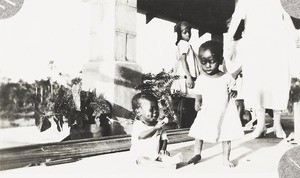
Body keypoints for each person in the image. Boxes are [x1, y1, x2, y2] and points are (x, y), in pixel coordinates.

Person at [226, 0, 298, 138]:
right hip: (254, 45)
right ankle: (260, 125)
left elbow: (286, 16)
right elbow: (236, 17)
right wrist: (228, 38)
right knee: (256, 84)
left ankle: (277, 124)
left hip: (276, 44)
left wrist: (294, 35)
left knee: (277, 83)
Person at [188, 40, 244, 167]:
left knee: (226, 134)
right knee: (199, 133)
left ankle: (226, 158)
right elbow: (198, 92)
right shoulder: (201, 79)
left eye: (211, 61)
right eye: (203, 62)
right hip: (207, 110)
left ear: (220, 60)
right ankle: (197, 153)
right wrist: (197, 101)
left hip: (224, 111)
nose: (207, 65)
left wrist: (233, 93)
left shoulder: (227, 77)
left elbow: (233, 89)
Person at [130, 92, 183, 166]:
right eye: (151, 109)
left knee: (164, 155)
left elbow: (164, 139)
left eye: (156, 108)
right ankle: (160, 165)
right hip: (140, 155)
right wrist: (155, 128)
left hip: (155, 154)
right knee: (142, 160)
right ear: (138, 112)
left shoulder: (159, 124)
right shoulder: (138, 124)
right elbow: (142, 136)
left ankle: (168, 161)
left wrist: (162, 149)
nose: (155, 112)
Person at [171, 21, 201, 128]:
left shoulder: (184, 44)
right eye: (184, 32)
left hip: (186, 78)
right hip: (186, 79)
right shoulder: (183, 44)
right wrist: (189, 76)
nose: (188, 34)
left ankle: (186, 127)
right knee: (189, 105)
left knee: (188, 106)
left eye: (189, 32)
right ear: (180, 34)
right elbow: (183, 60)